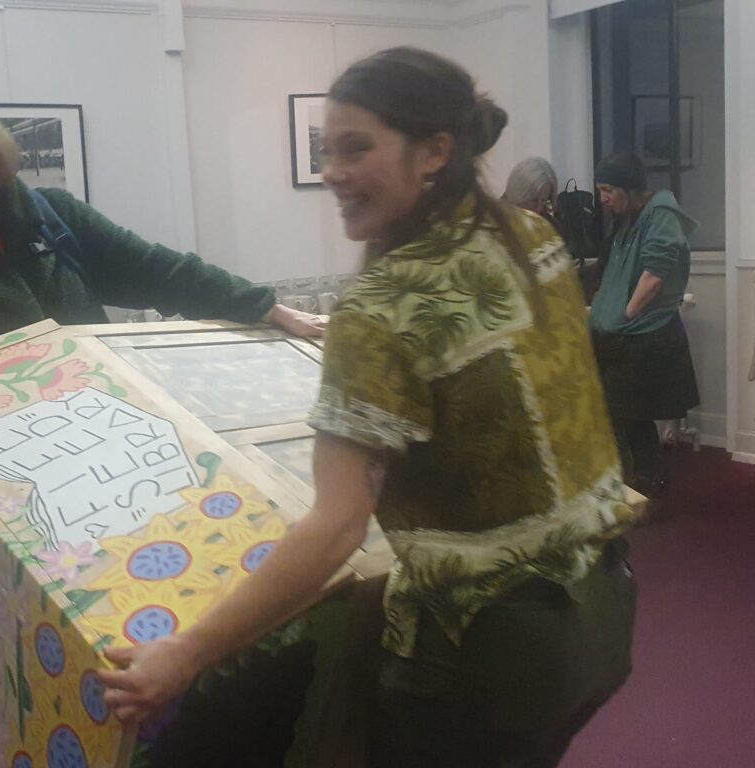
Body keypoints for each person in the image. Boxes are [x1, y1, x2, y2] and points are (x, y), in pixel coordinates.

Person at [99, 47, 640, 768]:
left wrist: (186, 652)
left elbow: (336, 528)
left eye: (356, 149)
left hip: (482, 655)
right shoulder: (532, 237)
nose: (333, 172)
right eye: (329, 150)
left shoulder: (380, 308)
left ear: (434, 152)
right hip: (599, 614)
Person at [0, 85, 323, 576]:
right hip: (5, 486)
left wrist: (267, 308)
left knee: (146, 579)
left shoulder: (55, 216)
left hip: (104, 454)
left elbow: (161, 270)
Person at [589, 152, 700, 501]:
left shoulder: (662, 214)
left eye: (608, 190)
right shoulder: (629, 218)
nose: (603, 199)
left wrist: (626, 313)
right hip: (619, 337)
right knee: (623, 415)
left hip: (642, 337)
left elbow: (655, 275)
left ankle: (646, 483)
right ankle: (635, 482)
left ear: (629, 187)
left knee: (627, 414)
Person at [502, 156, 558, 224]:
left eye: (544, 201)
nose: (539, 209)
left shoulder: (550, 226)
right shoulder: (496, 225)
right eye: (533, 201)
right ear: (518, 195)